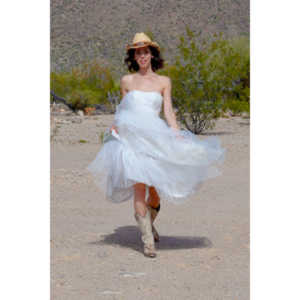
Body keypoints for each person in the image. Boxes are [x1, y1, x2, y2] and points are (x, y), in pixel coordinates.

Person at [87, 32, 225, 258]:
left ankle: (148, 223)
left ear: (152, 54)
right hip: (132, 140)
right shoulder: (126, 81)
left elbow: (168, 111)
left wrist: (176, 133)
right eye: (137, 52)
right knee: (139, 187)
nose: (141, 55)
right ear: (133, 56)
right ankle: (148, 242)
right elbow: (123, 110)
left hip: (156, 138)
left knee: (156, 191)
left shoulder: (163, 82)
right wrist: (114, 128)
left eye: (145, 51)